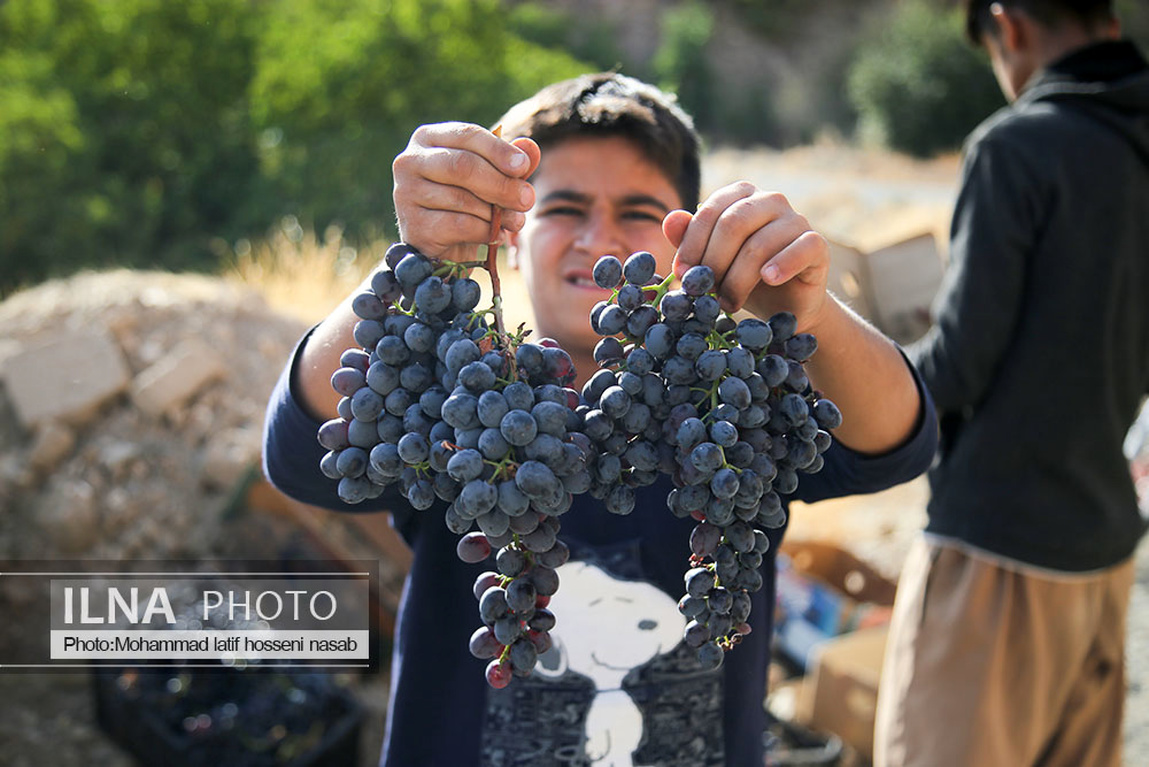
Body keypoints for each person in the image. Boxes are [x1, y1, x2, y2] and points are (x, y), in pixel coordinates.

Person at [263, 72, 936, 767]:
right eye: (565, 208)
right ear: (510, 233)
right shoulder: (459, 399)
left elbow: (895, 445)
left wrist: (810, 310)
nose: (599, 237)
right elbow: (303, 455)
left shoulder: (729, 400)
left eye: (638, 211)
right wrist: (415, 258)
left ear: (686, 241)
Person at [873, 3, 1149, 766]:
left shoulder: (1016, 145)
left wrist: (867, 359)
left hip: (995, 549)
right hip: (1103, 551)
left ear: (1009, 24)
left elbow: (958, 365)